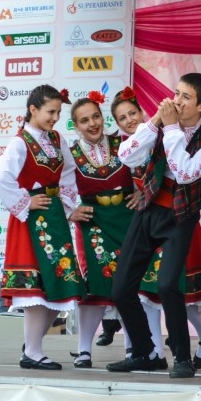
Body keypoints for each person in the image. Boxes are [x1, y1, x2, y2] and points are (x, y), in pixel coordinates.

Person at [108, 73, 201, 379]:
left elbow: (185, 172)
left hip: (180, 216)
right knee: (121, 288)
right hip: (149, 209)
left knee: (167, 286)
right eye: (176, 93)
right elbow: (126, 156)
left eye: (186, 97)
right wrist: (154, 123)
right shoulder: (162, 125)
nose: (177, 101)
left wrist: (171, 127)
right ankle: (145, 353)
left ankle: (182, 357)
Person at [0, 84, 84, 367]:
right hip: (32, 220)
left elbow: (68, 172)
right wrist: (26, 201)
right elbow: (2, 177)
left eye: (58, 112)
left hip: (53, 215)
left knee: (60, 284)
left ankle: (31, 345)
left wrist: (68, 205)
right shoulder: (20, 142)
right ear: (33, 109)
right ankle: (32, 351)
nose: (55, 118)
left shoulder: (57, 139)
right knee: (35, 288)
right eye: (50, 112)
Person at [67, 91, 134, 369]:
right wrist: (70, 211)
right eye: (84, 120)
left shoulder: (125, 142)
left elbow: (147, 170)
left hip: (127, 219)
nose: (92, 124)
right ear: (75, 126)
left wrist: (141, 191)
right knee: (94, 288)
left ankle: (133, 347)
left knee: (131, 284)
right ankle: (84, 350)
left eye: (96, 117)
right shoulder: (69, 153)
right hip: (92, 223)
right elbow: (59, 187)